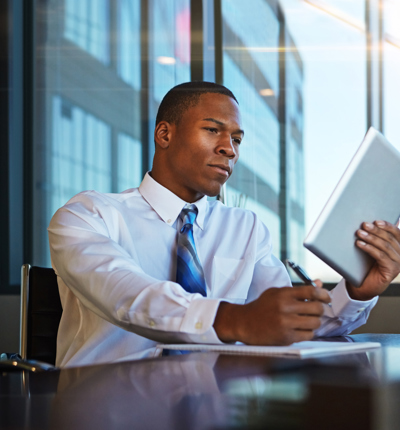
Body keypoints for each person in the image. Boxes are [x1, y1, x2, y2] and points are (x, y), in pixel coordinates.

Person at [48, 81, 400, 367]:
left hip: (217, 404)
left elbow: (283, 322)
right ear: (164, 134)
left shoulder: (245, 227)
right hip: (103, 407)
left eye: (237, 139)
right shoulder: (87, 216)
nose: (229, 149)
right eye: (213, 130)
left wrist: (358, 291)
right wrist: (235, 319)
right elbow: (130, 296)